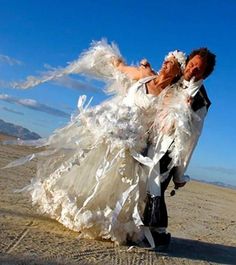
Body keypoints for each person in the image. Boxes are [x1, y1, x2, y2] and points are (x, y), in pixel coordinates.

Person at [5, 42, 187, 246]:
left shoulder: (169, 96)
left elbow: (167, 121)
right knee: (90, 168)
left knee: (113, 180)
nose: (165, 63)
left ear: (178, 71)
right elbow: (120, 68)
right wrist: (109, 57)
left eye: (171, 63)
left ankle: (101, 219)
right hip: (109, 125)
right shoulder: (144, 76)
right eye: (166, 60)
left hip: (131, 140)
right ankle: (77, 206)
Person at [142, 48, 216, 249]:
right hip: (150, 138)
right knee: (142, 183)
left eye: (198, 70)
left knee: (155, 185)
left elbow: (193, 138)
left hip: (169, 150)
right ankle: (143, 228)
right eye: (191, 65)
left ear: (204, 74)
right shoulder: (175, 80)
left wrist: (180, 173)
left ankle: (157, 233)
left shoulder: (201, 100)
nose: (192, 70)